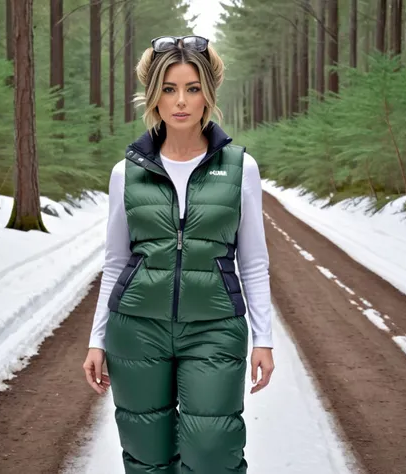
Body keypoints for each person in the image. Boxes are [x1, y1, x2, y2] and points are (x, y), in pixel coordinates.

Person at [83, 35, 275, 474]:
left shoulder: (239, 166)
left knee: (212, 453)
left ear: (208, 93)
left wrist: (262, 337)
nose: (181, 101)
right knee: (148, 458)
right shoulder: (126, 172)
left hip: (214, 328)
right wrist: (97, 339)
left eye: (192, 88)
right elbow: (115, 262)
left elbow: (254, 261)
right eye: (169, 88)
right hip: (136, 331)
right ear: (153, 95)